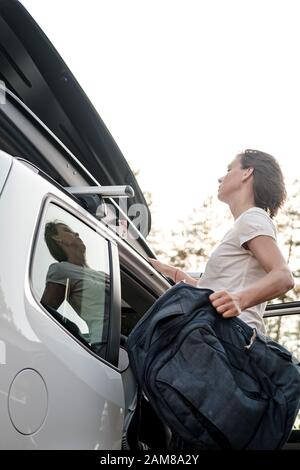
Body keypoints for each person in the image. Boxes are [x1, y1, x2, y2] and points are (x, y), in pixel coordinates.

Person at [149, 149, 294, 334]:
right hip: (220, 336)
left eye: (229, 169)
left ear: (247, 172)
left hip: (230, 338)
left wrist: (240, 300)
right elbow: (211, 294)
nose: (220, 178)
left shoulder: (252, 218)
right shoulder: (246, 223)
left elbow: (283, 277)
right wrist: (173, 273)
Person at [41, 221, 108, 352]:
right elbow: (45, 315)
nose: (76, 233)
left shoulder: (104, 275)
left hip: (129, 341)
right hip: (106, 346)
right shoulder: (61, 270)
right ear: (57, 239)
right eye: (67, 230)